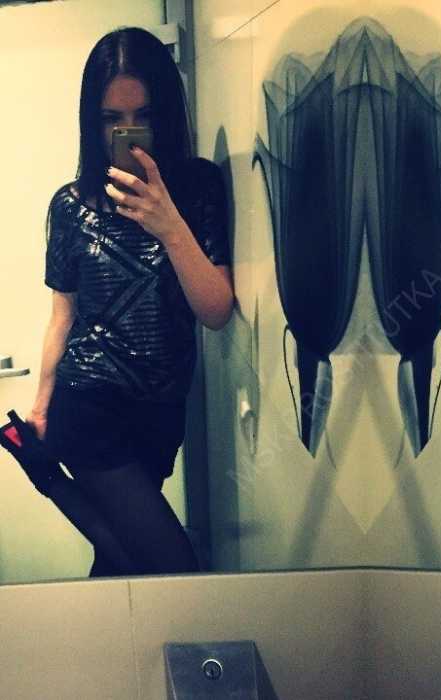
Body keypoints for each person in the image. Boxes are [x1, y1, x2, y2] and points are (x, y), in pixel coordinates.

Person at [26, 27, 234, 576]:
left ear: (165, 114)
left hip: (160, 417)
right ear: (91, 122)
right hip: (87, 409)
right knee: (175, 567)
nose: (127, 132)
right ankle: (53, 481)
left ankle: (52, 486)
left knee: (123, 562)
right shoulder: (70, 206)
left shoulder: (200, 188)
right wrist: (42, 406)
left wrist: (169, 224)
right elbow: (63, 316)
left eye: (142, 115)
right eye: (111, 119)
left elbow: (216, 311)